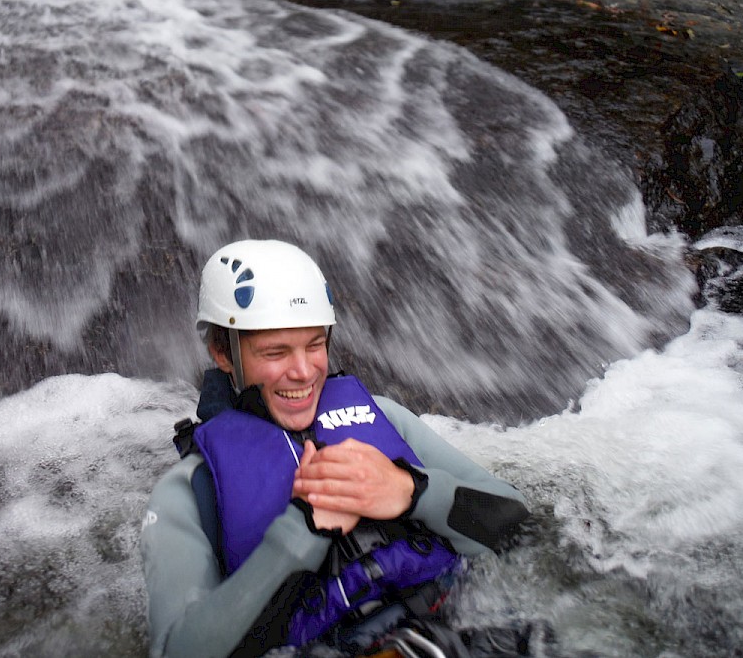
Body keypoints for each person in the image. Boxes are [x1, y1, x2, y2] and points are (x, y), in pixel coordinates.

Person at [140, 239, 530, 658]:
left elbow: (519, 524)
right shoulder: (187, 490)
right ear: (223, 353)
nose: (304, 372)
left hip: (463, 629)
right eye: (275, 352)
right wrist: (305, 529)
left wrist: (412, 490)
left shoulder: (385, 415)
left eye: (315, 345)